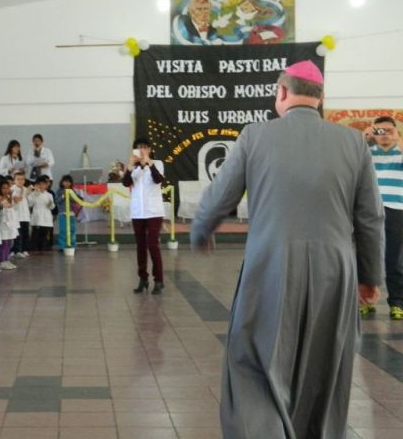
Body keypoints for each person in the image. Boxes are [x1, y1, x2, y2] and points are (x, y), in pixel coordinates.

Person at [190, 60, 384, 438]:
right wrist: (370, 276)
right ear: (321, 98)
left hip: (271, 268)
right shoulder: (353, 142)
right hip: (336, 271)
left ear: (281, 93)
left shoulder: (255, 136)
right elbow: (370, 218)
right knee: (325, 368)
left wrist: (201, 230)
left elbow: (219, 197)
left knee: (255, 364)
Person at [366, 116, 403, 320]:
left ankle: (397, 302)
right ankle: (365, 300)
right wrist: (365, 139)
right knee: (366, 256)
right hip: (370, 211)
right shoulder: (368, 153)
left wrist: (397, 139)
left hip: (397, 210)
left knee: (395, 259)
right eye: (379, 131)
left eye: (388, 130)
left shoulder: (400, 152)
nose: (383, 135)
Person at [123, 137, 165, 294]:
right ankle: (143, 278)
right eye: (139, 147)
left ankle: (159, 280)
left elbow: (158, 179)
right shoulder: (133, 168)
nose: (141, 150)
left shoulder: (158, 164)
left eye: (145, 147)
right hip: (138, 212)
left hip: (154, 211)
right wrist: (130, 165)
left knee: (153, 244)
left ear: (150, 149)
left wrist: (149, 163)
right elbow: (126, 183)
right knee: (140, 246)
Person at [28, 175, 56, 253]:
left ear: (47, 185)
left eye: (44, 184)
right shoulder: (33, 194)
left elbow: (52, 207)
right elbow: (30, 204)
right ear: (36, 185)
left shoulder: (49, 195)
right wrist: (35, 193)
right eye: (39, 184)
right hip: (37, 216)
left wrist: (50, 204)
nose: (41, 186)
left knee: (44, 233)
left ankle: (42, 248)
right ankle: (34, 248)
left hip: (46, 217)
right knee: (36, 234)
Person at [0, 178, 19, 269]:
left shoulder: (9, 197)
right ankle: (2, 260)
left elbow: (11, 207)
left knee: (9, 242)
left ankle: (6, 259)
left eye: (7, 188)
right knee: (4, 243)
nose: (6, 190)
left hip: (10, 222)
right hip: (3, 223)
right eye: (3, 188)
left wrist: (11, 197)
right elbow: (4, 206)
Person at [55, 175, 81, 250]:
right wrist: (63, 196)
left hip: (71, 213)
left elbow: (76, 200)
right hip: (62, 213)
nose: (67, 183)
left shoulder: (72, 191)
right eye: (65, 181)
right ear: (62, 182)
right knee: (63, 230)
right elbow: (57, 201)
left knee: (72, 229)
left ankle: (72, 244)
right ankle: (62, 246)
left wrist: (73, 196)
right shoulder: (59, 191)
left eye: (69, 182)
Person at [11, 171, 31, 258]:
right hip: (16, 216)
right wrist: (24, 192)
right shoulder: (12, 189)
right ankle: (16, 250)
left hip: (25, 216)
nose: (20, 181)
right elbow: (18, 199)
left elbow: (28, 202)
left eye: (22, 179)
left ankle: (24, 249)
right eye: (18, 179)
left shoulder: (26, 189)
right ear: (14, 180)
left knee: (25, 233)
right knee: (18, 235)